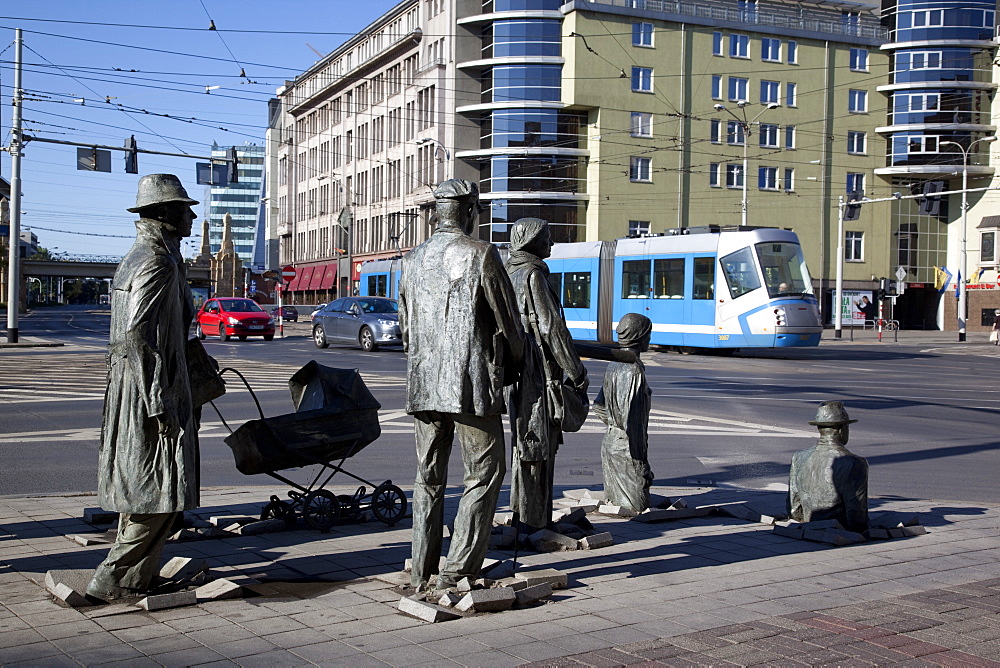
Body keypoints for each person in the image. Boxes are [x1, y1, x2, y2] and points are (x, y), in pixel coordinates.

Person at [398, 179, 525, 590]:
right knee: (485, 471)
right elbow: (510, 324)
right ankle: (459, 568)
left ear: (437, 211)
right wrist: (519, 363)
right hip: (470, 387)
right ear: (470, 209)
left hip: (423, 387)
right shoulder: (482, 254)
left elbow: (405, 330)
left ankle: (421, 568)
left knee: (427, 476)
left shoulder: (413, 259)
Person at [87, 174, 203, 601]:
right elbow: (136, 333)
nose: (191, 214)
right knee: (161, 487)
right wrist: (160, 397)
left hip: (136, 384)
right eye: (182, 207)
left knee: (149, 486)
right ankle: (111, 576)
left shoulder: (138, 257)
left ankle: (138, 577)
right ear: (163, 214)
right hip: (151, 390)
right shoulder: (156, 261)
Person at [505, 217, 588, 532]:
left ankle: (522, 514)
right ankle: (534, 521)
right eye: (547, 237)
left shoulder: (510, 273)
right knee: (538, 445)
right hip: (537, 375)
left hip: (516, 375)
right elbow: (552, 328)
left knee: (524, 443)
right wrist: (576, 371)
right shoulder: (533, 275)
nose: (551, 243)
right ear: (531, 241)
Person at [594, 313, 655, 513]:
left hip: (611, 443)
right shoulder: (633, 370)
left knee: (620, 504)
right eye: (648, 334)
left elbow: (598, 405)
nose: (650, 339)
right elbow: (632, 423)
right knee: (637, 507)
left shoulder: (613, 364)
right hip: (627, 449)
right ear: (640, 337)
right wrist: (640, 462)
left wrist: (613, 425)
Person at [787, 401, 869, 532]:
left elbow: (794, 508)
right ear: (842, 429)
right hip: (836, 529)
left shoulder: (799, 457)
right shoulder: (855, 463)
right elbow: (857, 515)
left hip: (808, 526)